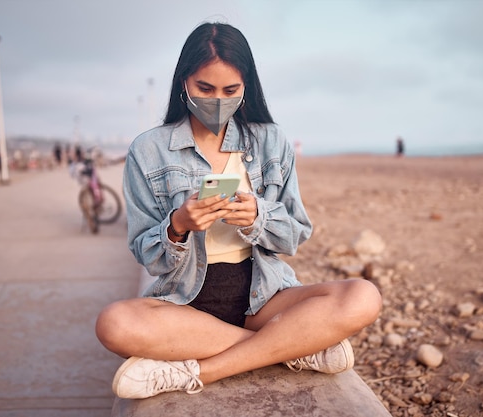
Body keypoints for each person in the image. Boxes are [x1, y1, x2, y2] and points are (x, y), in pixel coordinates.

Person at [95, 22, 382, 400]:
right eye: (205, 88)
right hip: (185, 304)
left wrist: (259, 217)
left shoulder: (271, 140)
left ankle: (203, 370)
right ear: (184, 83)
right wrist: (178, 226)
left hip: (263, 297)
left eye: (230, 90)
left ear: (247, 86)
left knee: (363, 297)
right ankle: (289, 348)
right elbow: (146, 254)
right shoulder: (148, 150)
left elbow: (296, 232)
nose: (217, 100)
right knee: (112, 324)